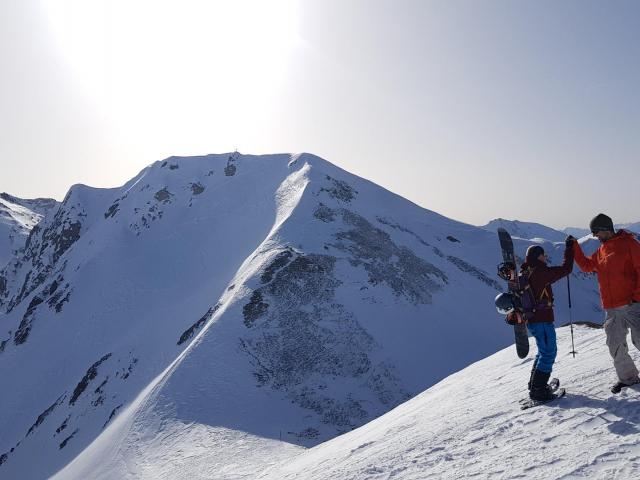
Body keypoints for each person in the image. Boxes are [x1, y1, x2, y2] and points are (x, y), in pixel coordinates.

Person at [571, 213, 640, 394]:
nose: (596, 237)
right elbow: (587, 266)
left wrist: (637, 296)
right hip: (611, 308)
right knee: (615, 344)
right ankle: (628, 379)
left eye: (597, 233)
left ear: (607, 229)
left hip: (632, 304)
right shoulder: (601, 250)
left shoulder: (629, 244)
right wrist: (575, 248)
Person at [521, 238, 574, 401]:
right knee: (549, 353)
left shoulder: (527, 272)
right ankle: (538, 390)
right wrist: (569, 250)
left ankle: (535, 385)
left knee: (543, 352)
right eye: (544, 255)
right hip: (542, 319)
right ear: (538, 257)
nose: (546, 258)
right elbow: (566, 269)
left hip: (534, 319)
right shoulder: (540, 273)